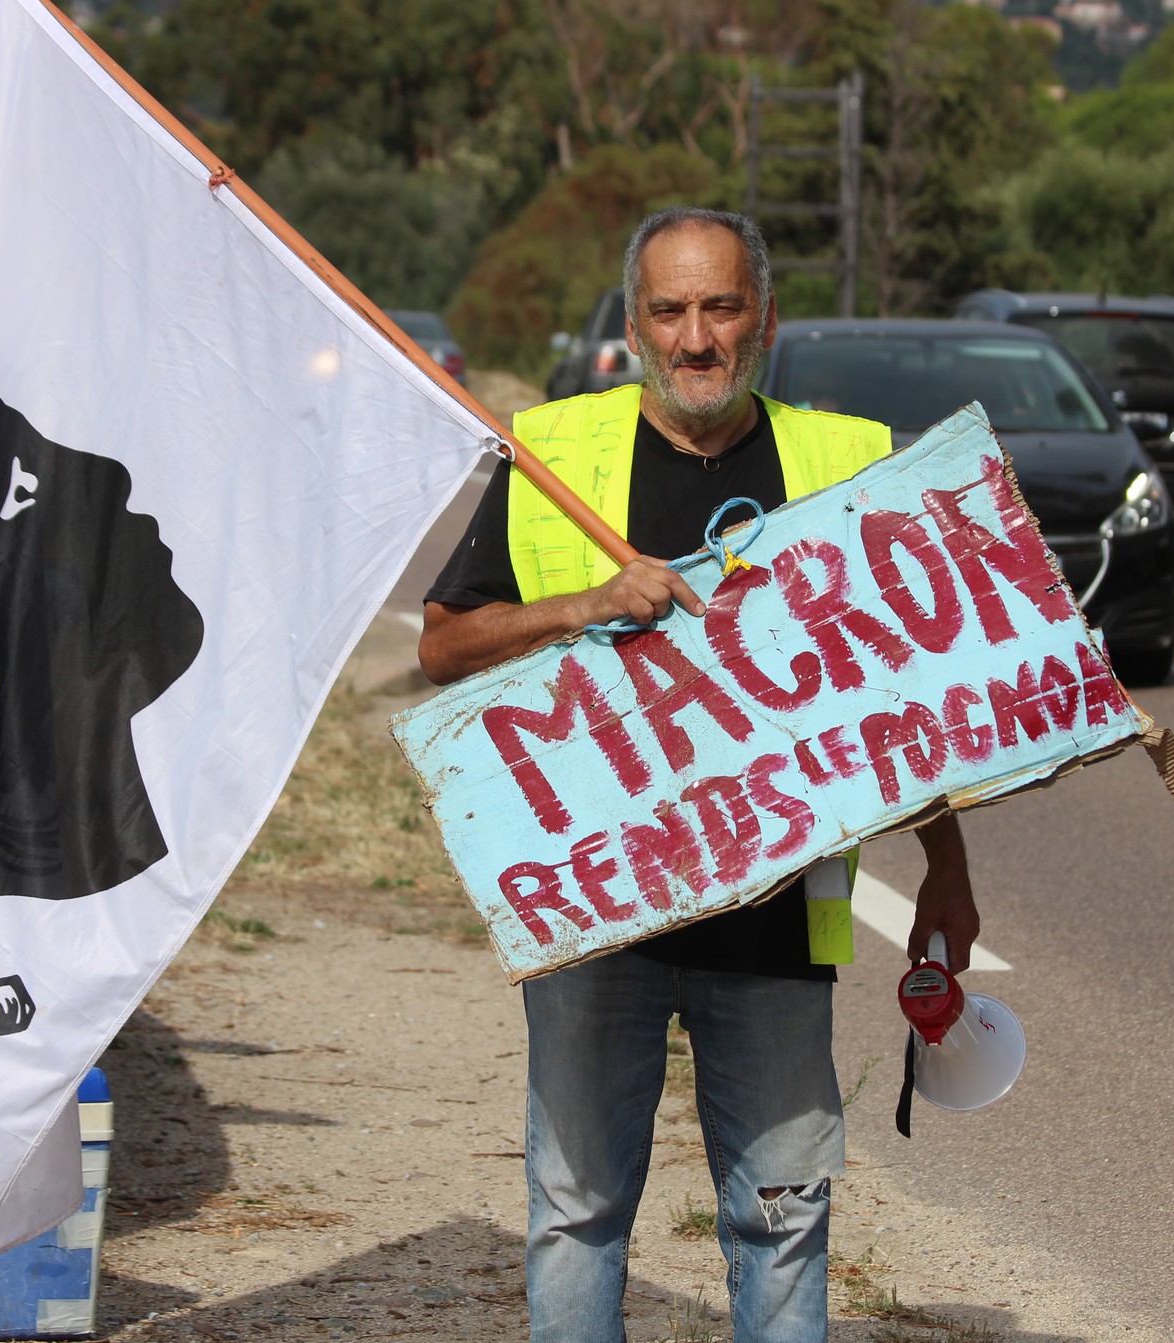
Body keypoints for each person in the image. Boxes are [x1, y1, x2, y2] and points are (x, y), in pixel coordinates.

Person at [417, 205, 981, 1342]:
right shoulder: (554, 457)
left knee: (781, 1215)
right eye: (669, 310)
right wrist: (587, 602)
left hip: (773, 920)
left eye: (720, 305)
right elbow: (441, 644)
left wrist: (948, 871)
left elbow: (907, 700)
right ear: (631, 329)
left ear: (763, 319)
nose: (695, 336)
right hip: (598, 915)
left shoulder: (841, 466)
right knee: (575, 1213)